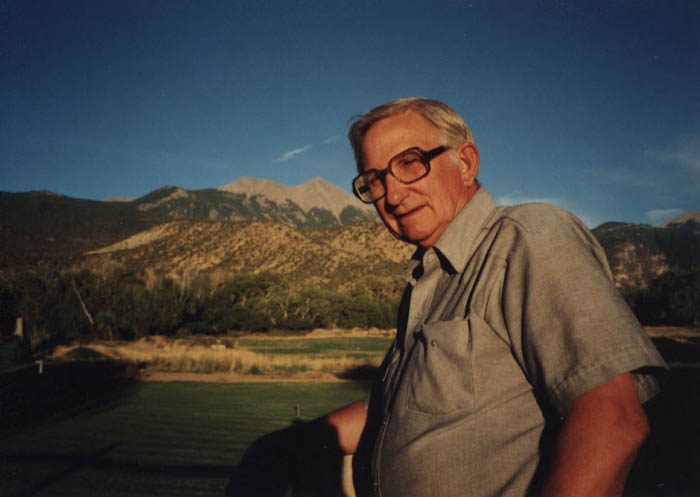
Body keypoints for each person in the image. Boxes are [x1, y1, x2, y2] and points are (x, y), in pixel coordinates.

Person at [228, 97, 667, 497]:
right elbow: (392, 414)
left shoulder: (527, 239)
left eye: (410, 163)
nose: (393, 195)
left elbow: (613, 421)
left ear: (466, 162)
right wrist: (285, 445)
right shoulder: (429, 282)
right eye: (374, 180)